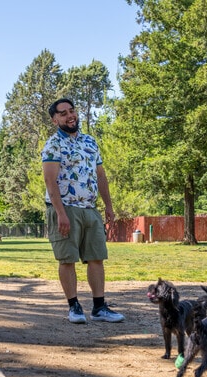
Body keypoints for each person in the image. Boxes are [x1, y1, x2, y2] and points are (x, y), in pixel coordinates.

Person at [41, 98, 125, 324]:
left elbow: (100, 176)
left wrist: (108, 206)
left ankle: (99, 307)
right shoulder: (53, 145)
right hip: (65, 208)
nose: (70, 116)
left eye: (72, 111)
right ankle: (74, 307)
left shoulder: (90, 142)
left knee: (96, 257)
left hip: (90, 208)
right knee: (67, 259)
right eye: (63, 113)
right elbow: (50, 181)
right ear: (55, 119)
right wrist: (60, 214)